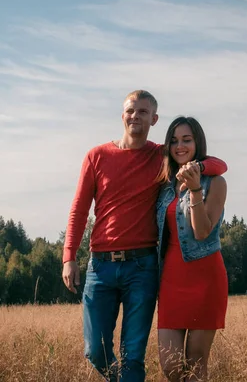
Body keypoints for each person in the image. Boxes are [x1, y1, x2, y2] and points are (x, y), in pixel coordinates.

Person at [62, 90, 228, 381]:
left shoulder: (159, 157)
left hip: (143, 267)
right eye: (130, 110)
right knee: (94, 350)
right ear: (122, 114)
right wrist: (69, 256)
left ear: (154, 118)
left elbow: (217, 165)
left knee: (134, 355)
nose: (134, 116)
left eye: (142, 111)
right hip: (100, 266)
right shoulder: (97, 156)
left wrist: (198, 168)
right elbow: (78, 209)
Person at [155, 116, 228, 382]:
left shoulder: (216, 183)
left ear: (198, 142)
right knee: (171, 366)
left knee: (196, 366)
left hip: (205, 276)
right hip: (171, 278)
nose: (180, 146)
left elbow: (201, 231)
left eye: (187, 140)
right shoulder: (164, 185)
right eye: (174, 141)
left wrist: (196, 188)